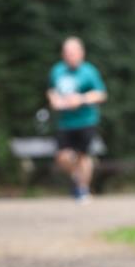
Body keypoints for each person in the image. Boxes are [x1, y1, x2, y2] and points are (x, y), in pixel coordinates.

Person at [47, 37, 107, 202]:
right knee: (62, 157)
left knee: (83, 156)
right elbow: (51, 91)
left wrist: (81, 99)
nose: (70, 56)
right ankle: (76, 176)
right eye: (67, 53)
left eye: (73, 53)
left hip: (86, 120)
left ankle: (83, 189)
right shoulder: (57, 70)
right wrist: (55, 101)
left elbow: (101, 94)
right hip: (65, 122)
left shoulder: (89, 71)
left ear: (81, 53)